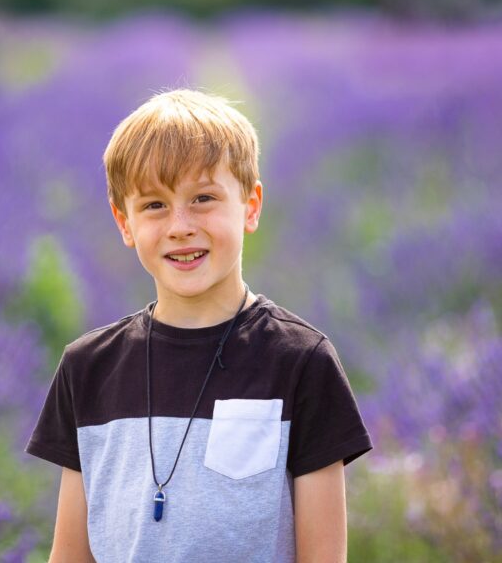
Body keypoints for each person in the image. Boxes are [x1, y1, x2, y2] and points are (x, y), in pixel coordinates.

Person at [24, 87, 374, 563]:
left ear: (250, 206)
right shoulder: (87, 368)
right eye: (154, 206)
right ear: (123, 223)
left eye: (203, 198)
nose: (180, 226)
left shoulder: (301, 362)